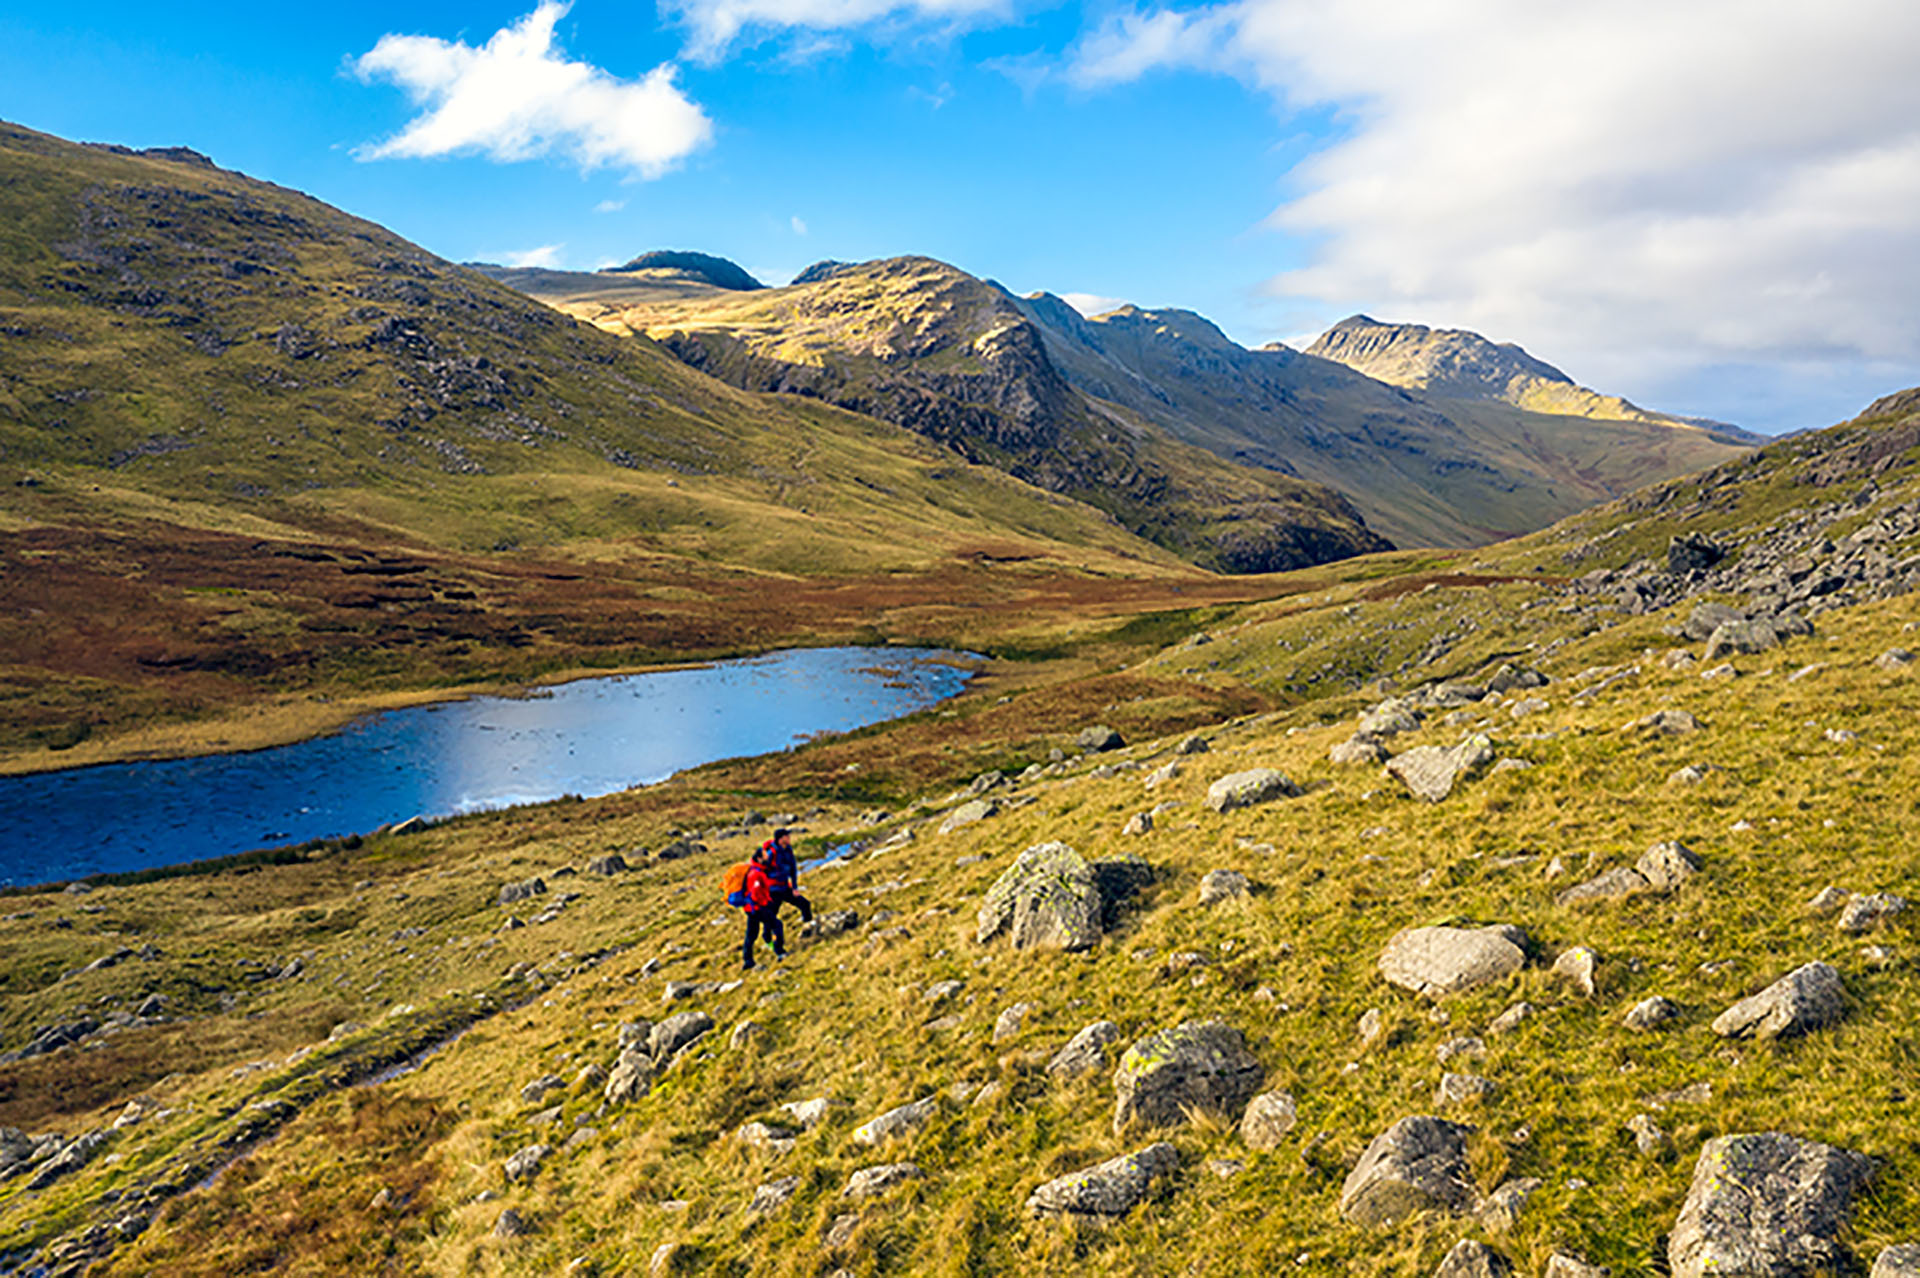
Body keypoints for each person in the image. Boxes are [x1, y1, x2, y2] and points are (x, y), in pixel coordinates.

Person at [739, 847, 786, 970]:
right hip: (757, 908)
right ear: (759, 858)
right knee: (777, 925)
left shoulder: (753, 870)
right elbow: (755, 892)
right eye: (765, 856)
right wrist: (764, 903)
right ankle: (780, 951)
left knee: (751, 934)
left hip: (749, 908)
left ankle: (748, 960)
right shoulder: (756, 873)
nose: (768, 858)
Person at [761, 828, 814, 926]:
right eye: (787, 836)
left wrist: (794, 887)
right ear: (780, 840)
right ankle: (771, 938)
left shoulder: (788, 850)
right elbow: (762, 871)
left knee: (805, 904)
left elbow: (793, 869)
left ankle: (809, 927)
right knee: (771, 915)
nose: (789, 838)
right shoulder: (771, 853)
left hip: (785, 887)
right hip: (773, 891)